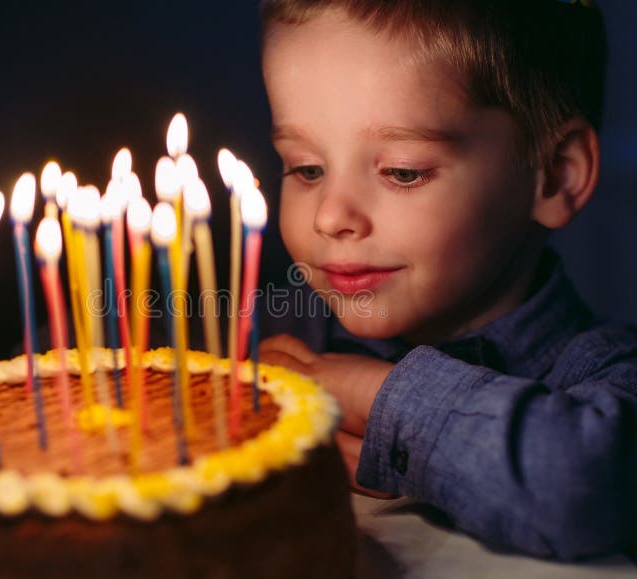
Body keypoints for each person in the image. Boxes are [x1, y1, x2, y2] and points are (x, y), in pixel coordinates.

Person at [256, 0, 637, 561]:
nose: (329, 217)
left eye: (403, 172)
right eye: (307, 168)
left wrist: (377, 394)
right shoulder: (281, 335)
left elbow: (582, 486)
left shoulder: (606, 377)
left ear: (554, 175)